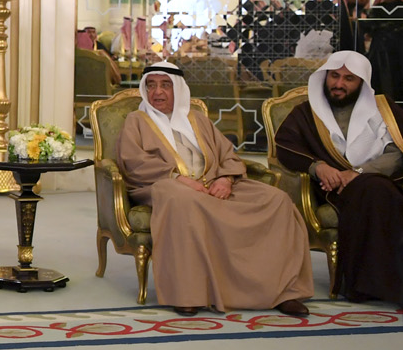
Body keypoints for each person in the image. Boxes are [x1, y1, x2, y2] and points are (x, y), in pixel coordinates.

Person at [117, 62, 313, 316]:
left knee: (277, 199)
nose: (158, 92)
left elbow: (226, 154)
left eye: (165, 85)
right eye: (151, 85)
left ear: (178, 89)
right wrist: (181, 179)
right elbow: (133, 161)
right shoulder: (136, 121)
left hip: (211, 182)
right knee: (183, 199)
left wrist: (226, 179)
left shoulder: (197, 119)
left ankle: (282, 291)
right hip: (164, 184)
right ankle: (189, 293)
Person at [275, 50, 403, 307]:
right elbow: (285, 146)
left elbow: (397, 152)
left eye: (348, 78)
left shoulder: (383, 109)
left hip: (381, 180)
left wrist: (359, 173)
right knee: (376, 191)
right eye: (334, 76)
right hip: (332, 189)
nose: (339, 84)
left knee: (376, 189)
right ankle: (374, 284)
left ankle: (373, 283)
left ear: (362, 83)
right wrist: (318, 167)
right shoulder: (306, 113)